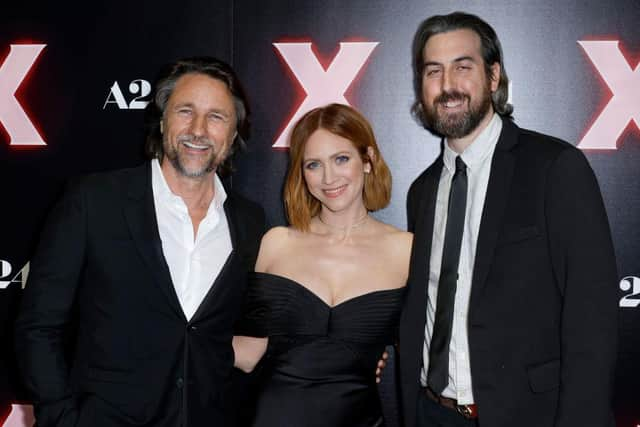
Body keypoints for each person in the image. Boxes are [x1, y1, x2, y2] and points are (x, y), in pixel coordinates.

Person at [14, 57, 265, 427]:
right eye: (185, 111)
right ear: (163, 120)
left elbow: (261, 335)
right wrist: (63, 418)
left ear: (233, 133)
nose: (198, 129)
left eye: (216, 117)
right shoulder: (94, 201)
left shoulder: (249, 222)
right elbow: (37, 327)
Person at [397, 11, 618, 427]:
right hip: (431, 413)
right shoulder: (422, 192)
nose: (447, 86)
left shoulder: (555, 168)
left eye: (463, 67)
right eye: (433, 71)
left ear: (493, 76)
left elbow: (592, 324)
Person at [232, 103, 412, 427]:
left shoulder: (406, 251)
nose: (329, 178)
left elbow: (423, 352)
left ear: (368, 159)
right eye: (313, 164)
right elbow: (249, 351)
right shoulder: (277, 242)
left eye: (341, 159)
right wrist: (181, 341)